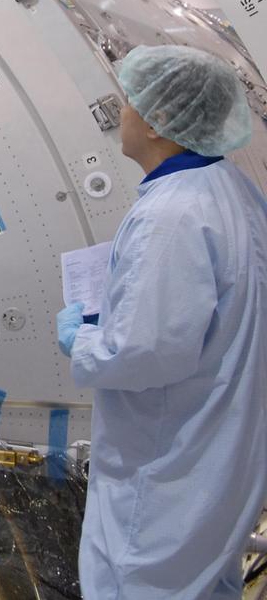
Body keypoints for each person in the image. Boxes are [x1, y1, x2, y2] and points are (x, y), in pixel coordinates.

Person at [56, 44, 266, 599]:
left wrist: (84, 340)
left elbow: (145, 353)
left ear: (160, 121)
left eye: (129, 100)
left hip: (168, 475)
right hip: (219, 459)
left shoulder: (171, 215)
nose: (121, 112)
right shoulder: (231, 189)